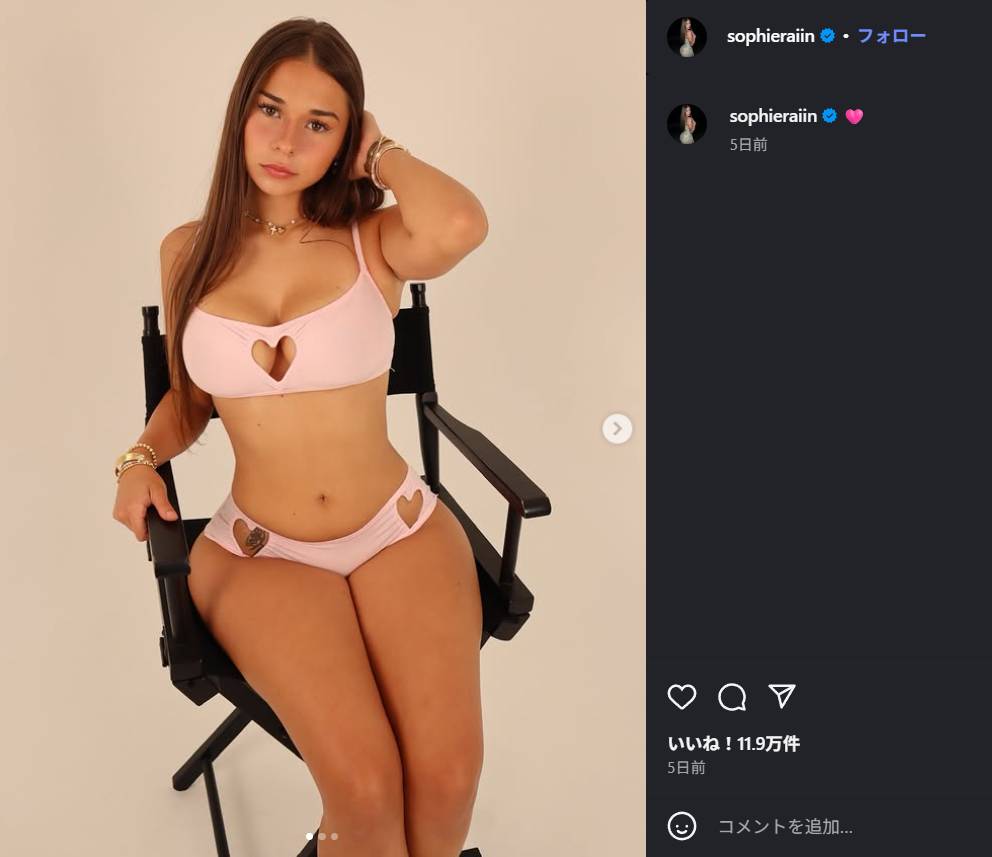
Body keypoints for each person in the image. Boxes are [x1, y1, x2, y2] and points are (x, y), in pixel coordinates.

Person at [111, 18, 488, 857]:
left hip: (398, 529)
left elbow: (461, 223)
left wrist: (381, 155)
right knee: (364, 788)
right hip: (261, 550)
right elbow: (189, 399)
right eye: (271, 110)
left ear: (346, 138)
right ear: (241, 111)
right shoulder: (188, 251)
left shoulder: (373, 239)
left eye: (319, 123)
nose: (286, 141)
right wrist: (139, 457)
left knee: (448, 778)